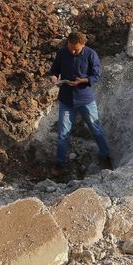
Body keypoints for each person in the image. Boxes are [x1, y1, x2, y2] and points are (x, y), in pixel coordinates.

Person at [48, 31, 112, 175]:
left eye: (76, 49)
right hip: (66, 99)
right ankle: (60, 163)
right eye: (71, 47)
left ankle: (106, 156)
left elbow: (96, 75)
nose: (73, 51)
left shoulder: (91, 54)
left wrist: (82, 81)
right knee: (63, 133)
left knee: (96, 129)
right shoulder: (62, 53)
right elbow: (54, 70)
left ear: (83, 44)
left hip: (85, 99)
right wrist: (53, 77)